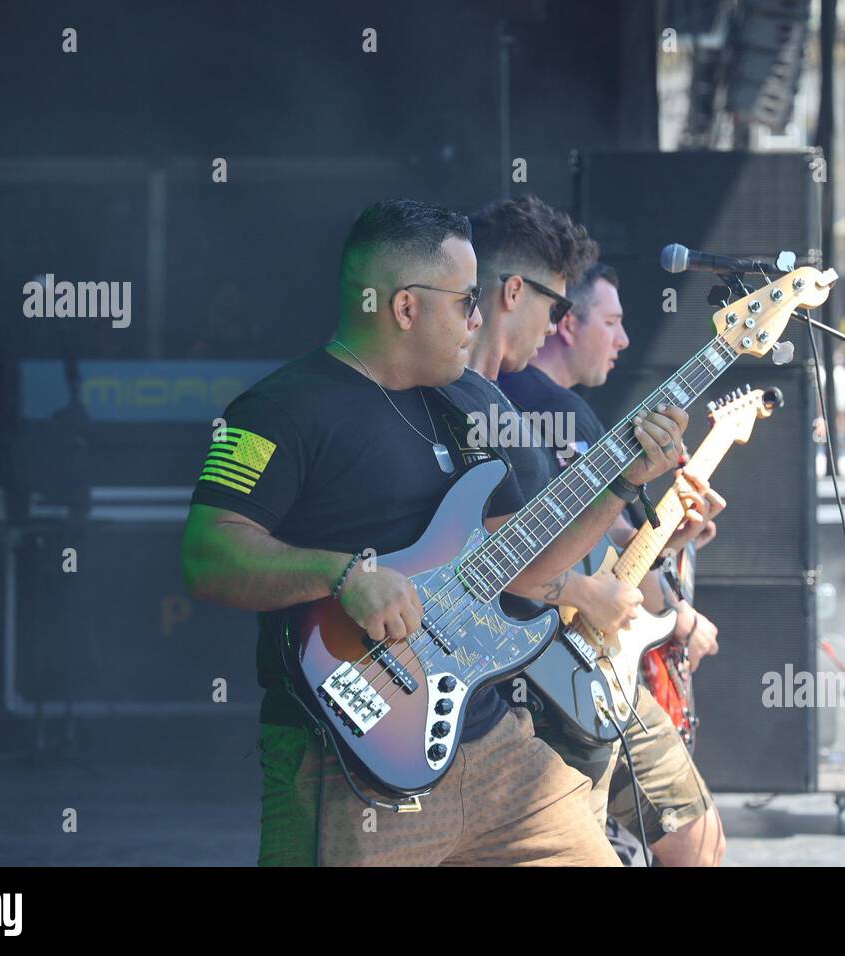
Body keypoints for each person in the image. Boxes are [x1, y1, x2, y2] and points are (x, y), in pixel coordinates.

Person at [179, 199, 687, 866]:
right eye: (463, 302)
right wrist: (342, 576)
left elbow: (530, 571)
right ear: (404, 308)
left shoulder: (477, 403)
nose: (479, 320)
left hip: (494, 748)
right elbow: (207, 552)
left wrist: (623, 481)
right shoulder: (278, 410)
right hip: (349, 758)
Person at [499, 260, 727, 866]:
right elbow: (503, 559)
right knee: (690, 845)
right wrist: (672, 614)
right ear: (566, 322)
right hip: (560, 678)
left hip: (562, 674)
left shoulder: (530, 407)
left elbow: (614, 555)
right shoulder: (552, 415)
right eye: (613, 321)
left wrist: (675, 537)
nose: (625, 339)